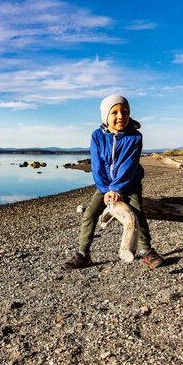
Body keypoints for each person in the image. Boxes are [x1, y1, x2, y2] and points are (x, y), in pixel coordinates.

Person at [63, 94, 164, 270]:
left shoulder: (135, 137)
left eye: (124, 112)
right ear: (106, 116)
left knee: (137, 213)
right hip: (105, 186)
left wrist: (117, 188)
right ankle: (83, 254)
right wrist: (106, 189)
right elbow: (97, 165)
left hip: (129, 184)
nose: (120, 116)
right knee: (90, 214)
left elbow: (128, 165)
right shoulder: (97, 136)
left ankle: (146, 250)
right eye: (114, 112)